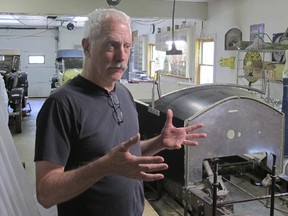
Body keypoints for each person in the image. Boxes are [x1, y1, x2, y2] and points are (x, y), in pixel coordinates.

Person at [34, 8, 207, 216]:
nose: (122, 57)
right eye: (111, 45)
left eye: (127, 46)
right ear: (87, 46)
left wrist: (159, 142)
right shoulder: (62, 104)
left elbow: (126, 157)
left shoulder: (123, 93)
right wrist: (103, 166)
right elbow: (46, 193)